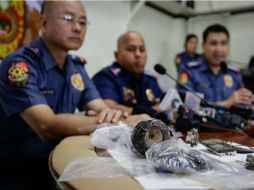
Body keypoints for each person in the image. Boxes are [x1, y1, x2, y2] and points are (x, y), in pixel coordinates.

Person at [0, 1, 147, 190]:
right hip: (17, 171)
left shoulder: (76, 68)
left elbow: (102, 109)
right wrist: (114, 122)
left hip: (62, 160)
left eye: (83, 22)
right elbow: (47, 126)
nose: (77, 28)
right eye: (68, 19)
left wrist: (113, 117)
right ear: (43, 23)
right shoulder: (20, 66)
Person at [177, 24, 254, 107]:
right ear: (203, 46)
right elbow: (186, 107)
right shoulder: (189, 71)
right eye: (213, 43)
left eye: (223, 43)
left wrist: (248, 103)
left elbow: (242, 105)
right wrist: (226, 103)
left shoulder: (235, 73)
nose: (219, 49)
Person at [93, 31, 164, 117]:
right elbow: (107, 107)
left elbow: (161, 105)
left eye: (142, 50)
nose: (138, 54)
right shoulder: (106, 77)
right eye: (131, 49)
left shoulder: (150, 79)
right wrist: (138, 111)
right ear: (117, 55)